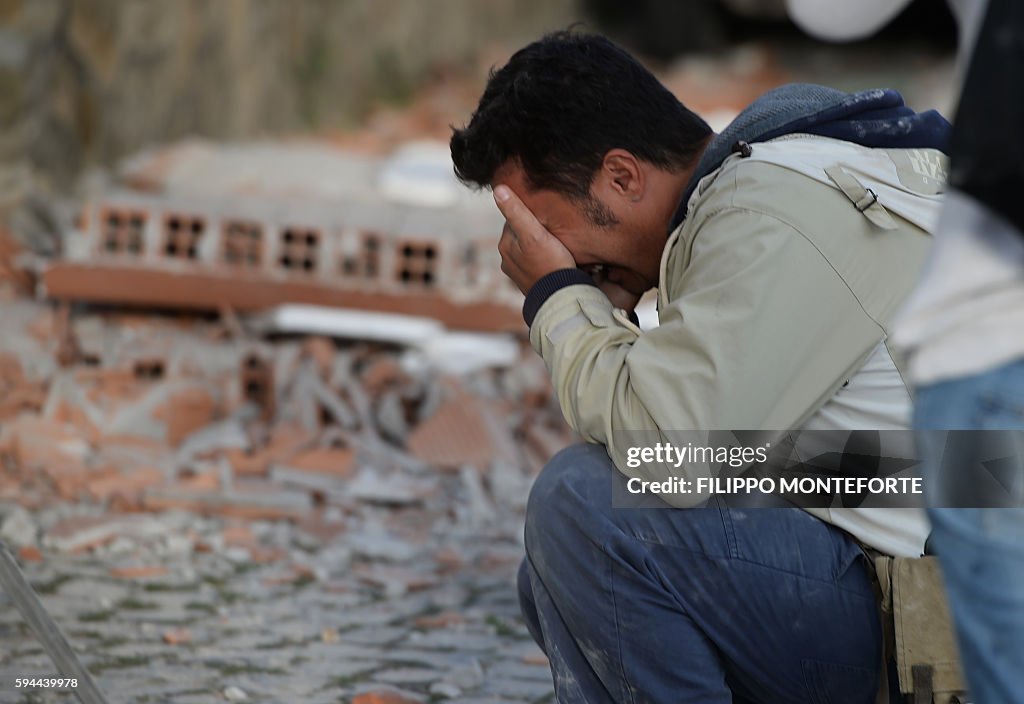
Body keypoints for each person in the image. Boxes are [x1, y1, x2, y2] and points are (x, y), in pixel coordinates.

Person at [451, 32, 950, 703]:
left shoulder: (770, 214)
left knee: (582, 512)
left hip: (955, 617)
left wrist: (559, 301)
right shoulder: (801, 175)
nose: (550, 255)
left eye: (547, 230)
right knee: (563, 567)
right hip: (945, 546)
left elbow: (670, 454)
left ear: (623, 176)